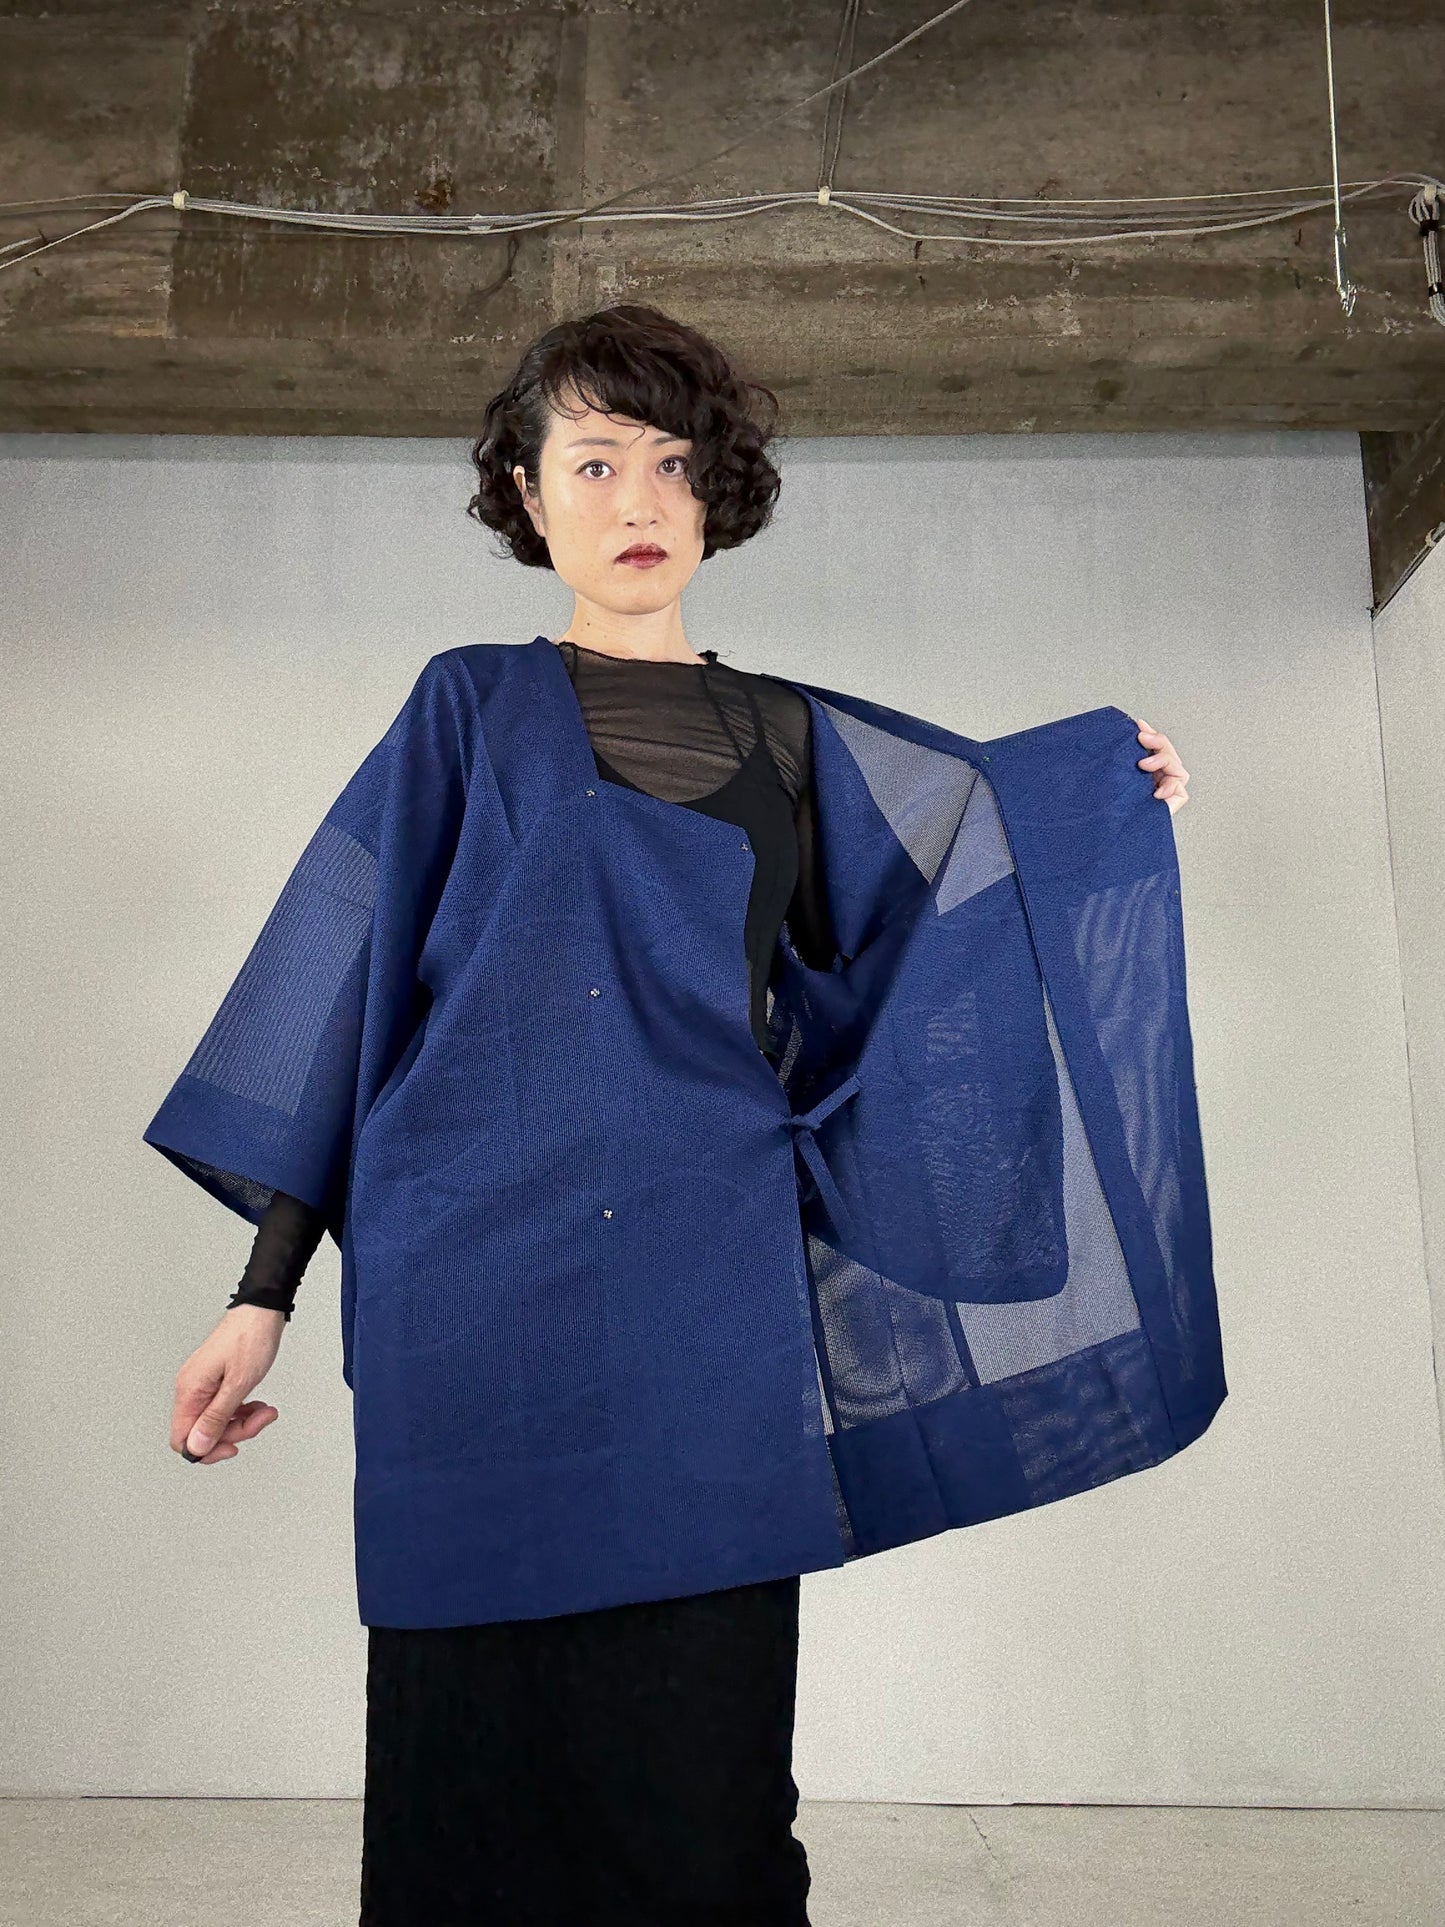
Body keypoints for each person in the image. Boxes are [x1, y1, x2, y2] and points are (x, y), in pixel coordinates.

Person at [158, 304, 1197, 1927]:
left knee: (706, 1778)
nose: (638, 501)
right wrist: (261, 1291)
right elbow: (347, 989)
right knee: (473, 1765)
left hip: (707, 1279)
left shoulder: (787, 735)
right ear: (526, 493)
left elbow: (931, 919)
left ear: (715, 493)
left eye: (671, 463)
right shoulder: (466, 706)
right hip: (477, 1288)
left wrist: (1099, 798)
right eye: (593, 464)